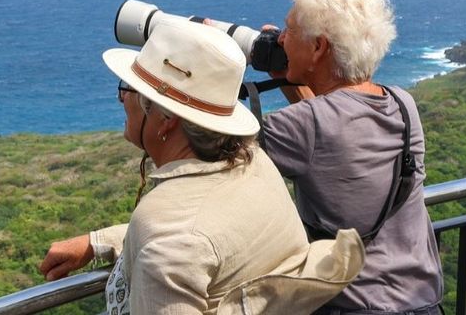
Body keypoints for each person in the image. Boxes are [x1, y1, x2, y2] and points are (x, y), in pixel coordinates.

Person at [37, 17, 363, 314]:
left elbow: (180, 239)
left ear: (165, 119)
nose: (123, 99)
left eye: (129, 90)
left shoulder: (169, 238)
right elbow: (208, 233)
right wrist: (99, 242)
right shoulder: (255, 164)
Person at [260, 0, 444, 314]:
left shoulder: (302, 124)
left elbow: (215, 155)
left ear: (318, 47)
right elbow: (335, 131)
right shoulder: (403, 103)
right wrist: (294, 80)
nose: (281, 39)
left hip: (354, 307)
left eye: (289, 30)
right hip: (422, 301)